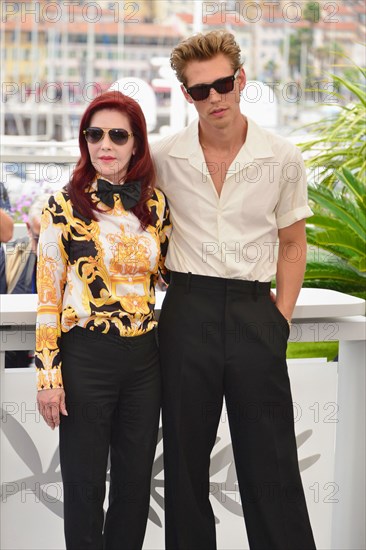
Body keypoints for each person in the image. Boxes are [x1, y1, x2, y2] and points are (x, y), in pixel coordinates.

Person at [151, 30, 316, 550]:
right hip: (186, 310)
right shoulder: (162, 158)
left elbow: (293, 241)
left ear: (241, 80)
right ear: (186, 95)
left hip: (253, 313)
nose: (214, 97)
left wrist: (281, 318)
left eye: (223, 84)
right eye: (200, 90)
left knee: (272, 463)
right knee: (184, 463)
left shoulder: (282, 156)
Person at [35, 91, 171, 550]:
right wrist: (48, 376)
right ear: (84, 141)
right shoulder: (61, 207)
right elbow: (47, 297)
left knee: (135, 487)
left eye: (118, 134)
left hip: (145, 361)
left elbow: (170, 273)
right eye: (95, 134)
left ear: (136, 144)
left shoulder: (156, 207)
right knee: (85, 487)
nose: (105, 143)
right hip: (86, 359)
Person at [2, 194, 48, 368]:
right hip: (14, 360)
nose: (47, 247)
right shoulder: (10, 258)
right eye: (40, 238)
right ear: (28, 229)